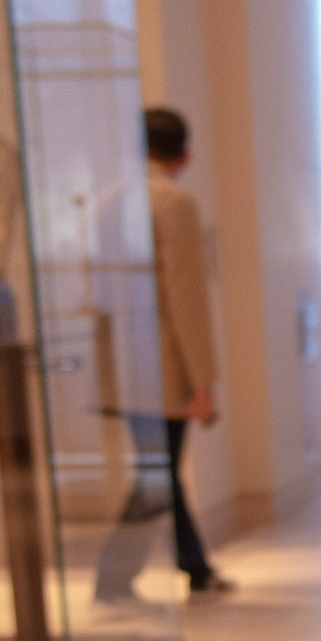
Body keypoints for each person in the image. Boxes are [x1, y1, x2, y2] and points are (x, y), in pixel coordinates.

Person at [96, 106, 234, 601]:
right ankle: (120, 574)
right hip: (162, 358)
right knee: (159, 471)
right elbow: (185, 296)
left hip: (123, 356)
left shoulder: (108, 201)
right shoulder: (172, 202)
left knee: (157, 469)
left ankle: (189, 566)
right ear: (184, 155)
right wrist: (202, 379)